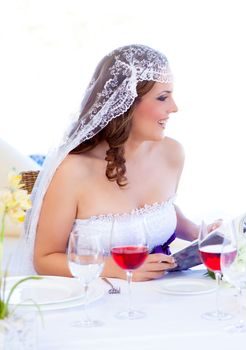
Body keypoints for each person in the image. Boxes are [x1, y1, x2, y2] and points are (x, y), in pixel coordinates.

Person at [18, 44, 215, 281]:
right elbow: (45, 259)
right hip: (95, 303)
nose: (174, 108)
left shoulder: (172, 153)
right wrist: (119, 269)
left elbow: (160, 211)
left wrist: (198, 232)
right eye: (163, 97)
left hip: (162, 294)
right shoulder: (72, 171)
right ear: (126, 103)